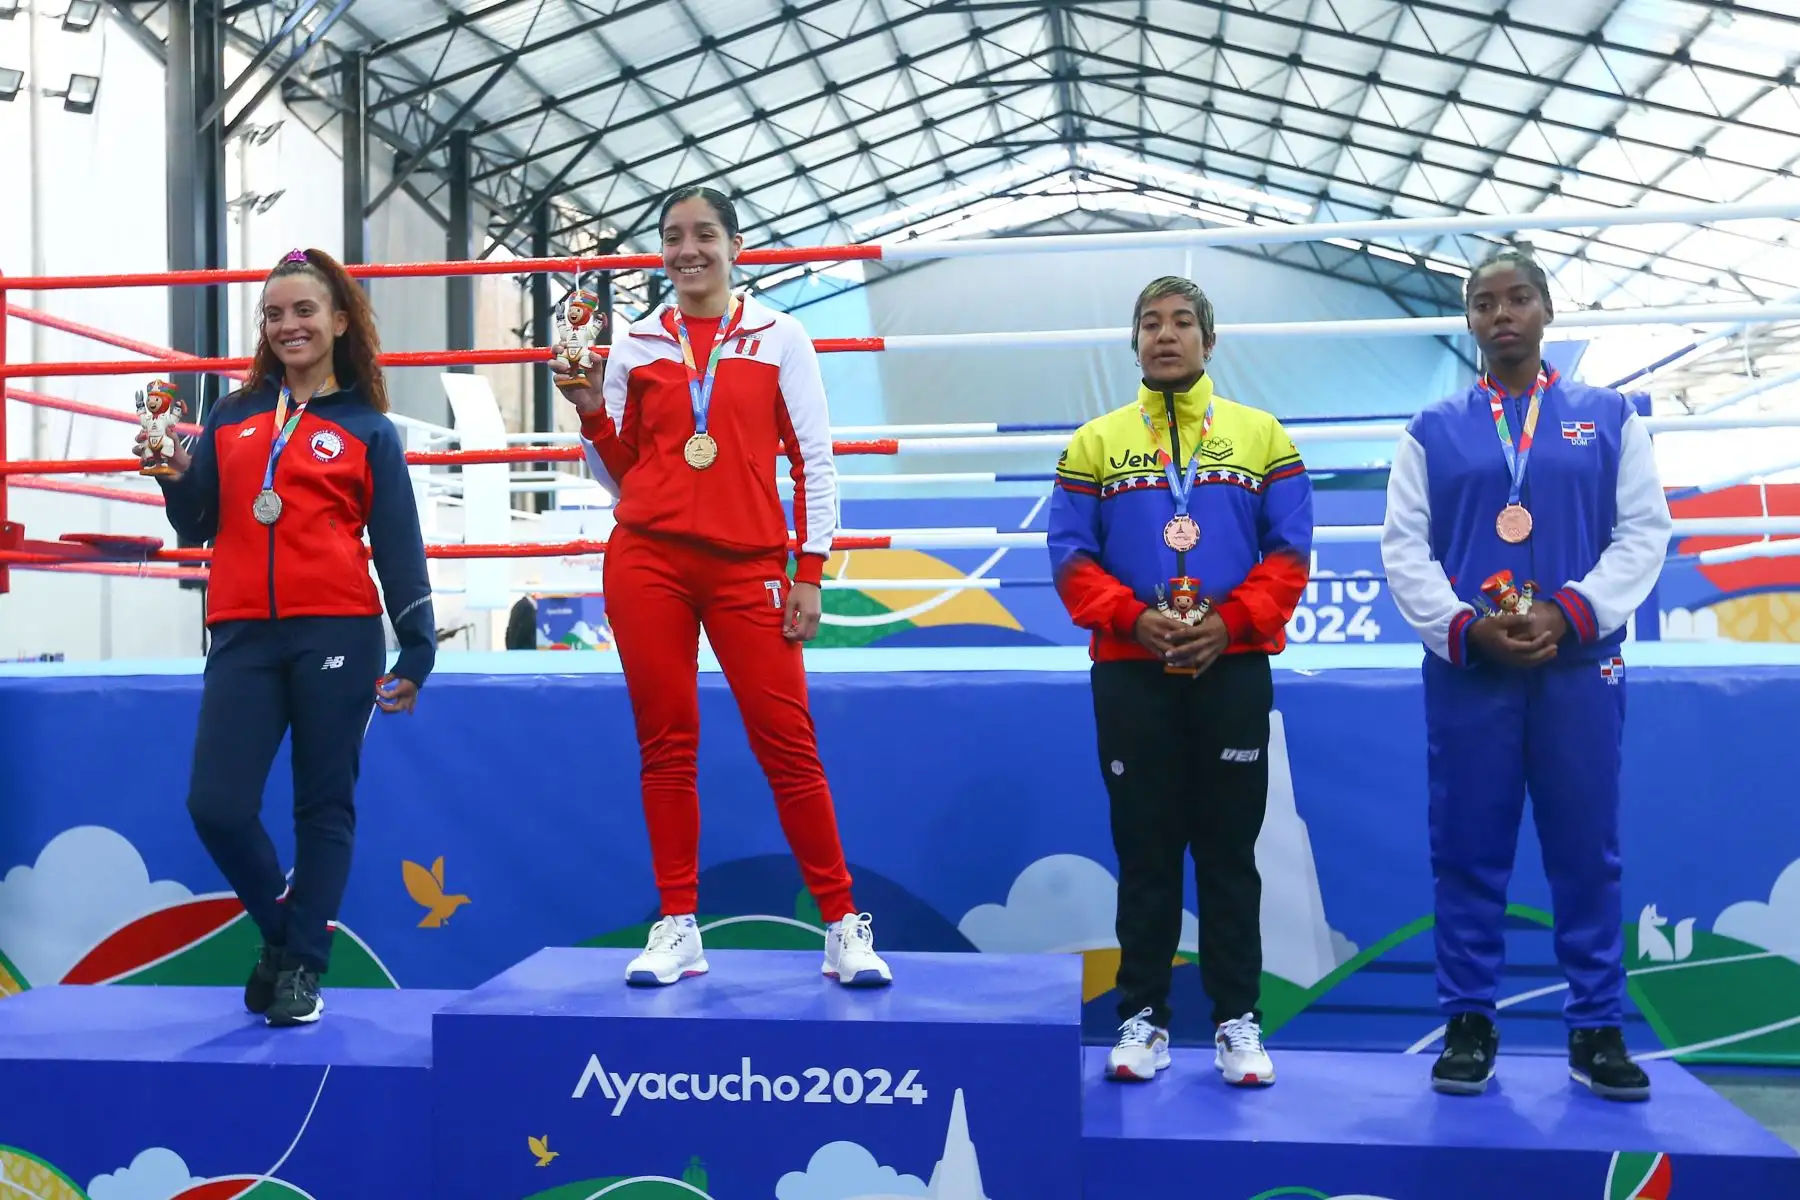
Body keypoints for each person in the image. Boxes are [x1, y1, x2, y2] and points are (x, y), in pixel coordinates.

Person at [554, 186, 890, 989]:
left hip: (748, 567)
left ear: (735, 245)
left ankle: (842, 923)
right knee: (666, 745)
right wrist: (591, 417)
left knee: (789, 744)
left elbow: (813, 458)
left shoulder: (781, 335)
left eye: (704, 234)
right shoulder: (634, 342)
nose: (688, 249)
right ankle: (678, 924)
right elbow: (626, 474)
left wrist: (809, 570)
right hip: (646, 561)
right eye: (673, 236)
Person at [1380, 246, 1671, 1101]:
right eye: (1483, 303)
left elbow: (1643, 534)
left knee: (1588, 850)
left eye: (1517, 299)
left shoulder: (1611, 416)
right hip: (1473, 672)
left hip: (1580, 668)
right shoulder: (1431, 430)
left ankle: (1597, 1026)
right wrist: (1467, 627)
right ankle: (1469, 1019)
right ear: (1468, 321)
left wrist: (1569, 612)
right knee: (1468, 849)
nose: (1500, 314)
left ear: (1547, 311)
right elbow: (1404, 550)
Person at [142, 247, 436, 1027]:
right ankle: (284, 937)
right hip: (241, 631)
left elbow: (400, 546)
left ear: (340, 320)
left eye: (304, 311)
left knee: (323, 805)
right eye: (274, 315)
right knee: (217, 805)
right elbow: (198, 523)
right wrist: (175, 475)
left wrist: (418, 647)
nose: (288, 325)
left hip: (338, 630)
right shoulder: (232, 417)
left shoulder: (368, 428)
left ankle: (302, 967)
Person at [1048, 275, 1313, 1087]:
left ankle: (1237, 1021)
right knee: (1147, 853)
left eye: (1182, 322)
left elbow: (1290, 553)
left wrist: (1228, 625)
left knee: (1230, 854)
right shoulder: (1094, 442)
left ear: (1210, 339)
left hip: (1231, 668)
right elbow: (1069, 555)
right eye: (1150, 324)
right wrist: (1134, 619)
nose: (1166, 335)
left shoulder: (1262, 435)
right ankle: (1143, 1018)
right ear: (1134, 342)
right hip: (1133, 673)